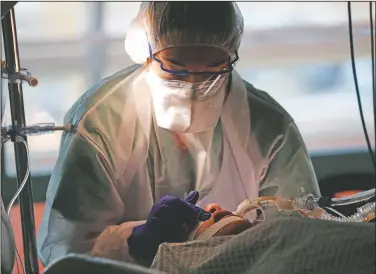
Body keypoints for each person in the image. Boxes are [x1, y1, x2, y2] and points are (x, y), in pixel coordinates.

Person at [37, 1, 321, 267]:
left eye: (213, 69)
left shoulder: (269, 128)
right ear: (146, 52)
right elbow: (68, 256)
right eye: (176, 68)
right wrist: (134, 243)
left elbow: (297, 240)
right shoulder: (101, 125)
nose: (195, 85)